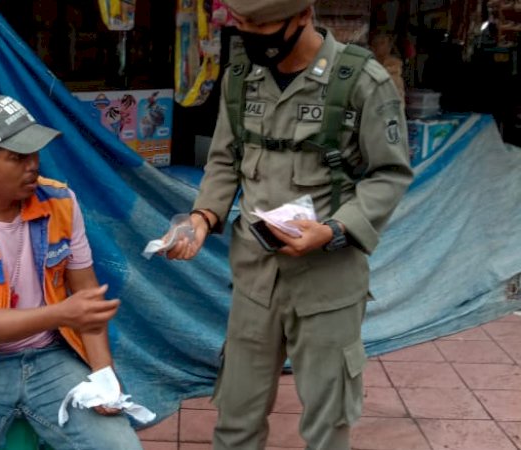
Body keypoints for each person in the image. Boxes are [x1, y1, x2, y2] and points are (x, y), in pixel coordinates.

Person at [167, 1, 414, 449]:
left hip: (328, 282)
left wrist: (336, 229)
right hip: (256, 282)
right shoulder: (241, 79)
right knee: (235, 417)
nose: (247, 34)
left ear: (302, 16)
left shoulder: (362, 81)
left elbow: (389, 173)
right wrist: (203, 218)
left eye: (259, 24)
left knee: (327, 424)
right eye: (240, 24)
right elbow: (225, 159)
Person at [0, 95, 143, 450]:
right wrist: (61, 313)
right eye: (17, 157)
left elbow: (88, 303)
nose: (33, 166)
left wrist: (103, 379)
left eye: (34, 152)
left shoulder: (61, 203)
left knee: (121, 447)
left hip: (50, 358)